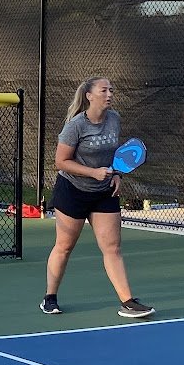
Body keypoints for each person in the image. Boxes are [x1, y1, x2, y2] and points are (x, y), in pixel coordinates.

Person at [40, 77, 155, 319]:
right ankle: (50, 298)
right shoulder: (75, 126)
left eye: (111, 90)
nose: (110, 94)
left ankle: (128, 301)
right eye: (104, 90)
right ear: (89, 96)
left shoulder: (114, 119)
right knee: (64, 246)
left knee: (112, 248)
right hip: (73, 190)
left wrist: (117, 175)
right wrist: (93, 172)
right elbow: (60, 162)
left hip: (104, 192)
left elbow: (114, 155)